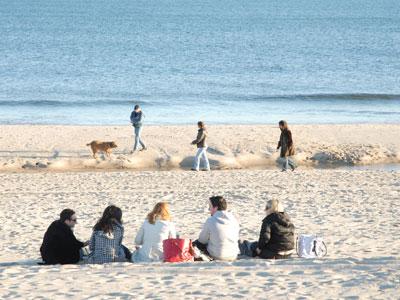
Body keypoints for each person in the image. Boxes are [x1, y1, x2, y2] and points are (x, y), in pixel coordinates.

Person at [193, 196, 240, 261]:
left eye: (210, 206)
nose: (209, 209)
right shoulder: (234, 219)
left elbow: (202, 240)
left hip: (217, 256)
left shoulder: (211, 220)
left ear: (216, 208)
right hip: (233, 255)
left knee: (196, 244)